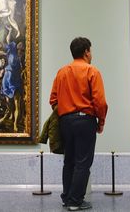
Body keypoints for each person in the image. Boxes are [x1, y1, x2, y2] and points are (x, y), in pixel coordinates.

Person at [49, 37, 108, 211]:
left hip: (65, 121)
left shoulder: (62, 72)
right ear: (86, 52)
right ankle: (75, 201)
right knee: (83, 162)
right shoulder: (92, 71)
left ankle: (67, 198)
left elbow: (53, 99)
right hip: (85, 120)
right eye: (90, 50)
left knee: (69, 161)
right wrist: (101, 121)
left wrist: (65, 112)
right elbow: (100, 101)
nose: (91, 53)